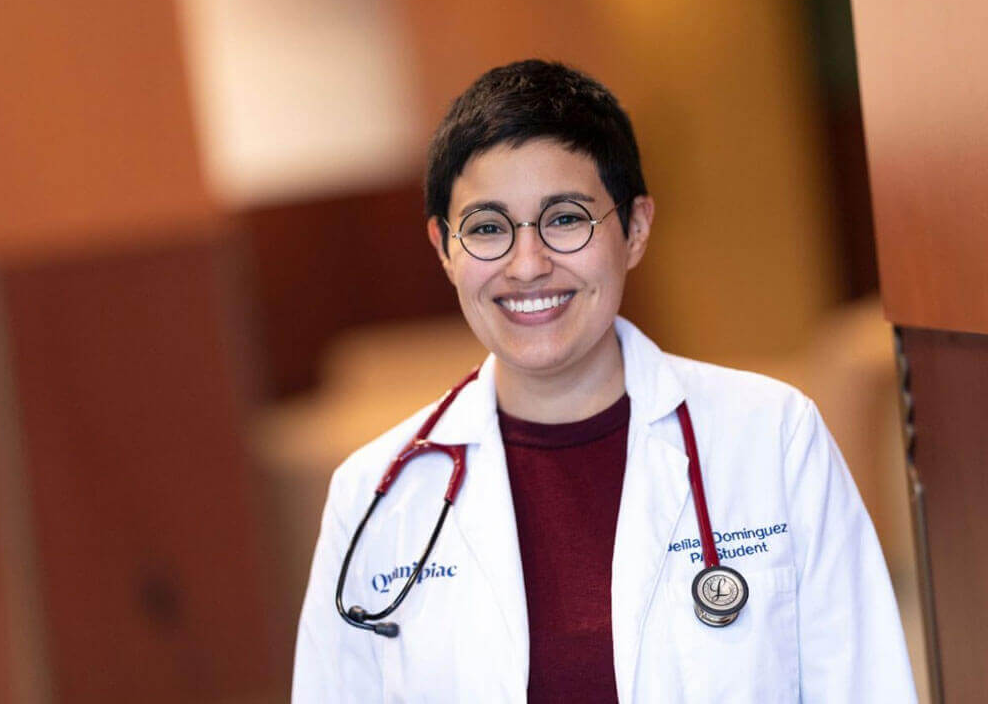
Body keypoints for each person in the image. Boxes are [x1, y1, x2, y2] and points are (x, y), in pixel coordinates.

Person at [292, 60, 917, 703]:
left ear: (636, 228)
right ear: (444, 249)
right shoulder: (377, 494)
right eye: (486, 228)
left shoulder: (772, 436)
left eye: (565, 218)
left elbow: (866, 685)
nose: (527, 265)